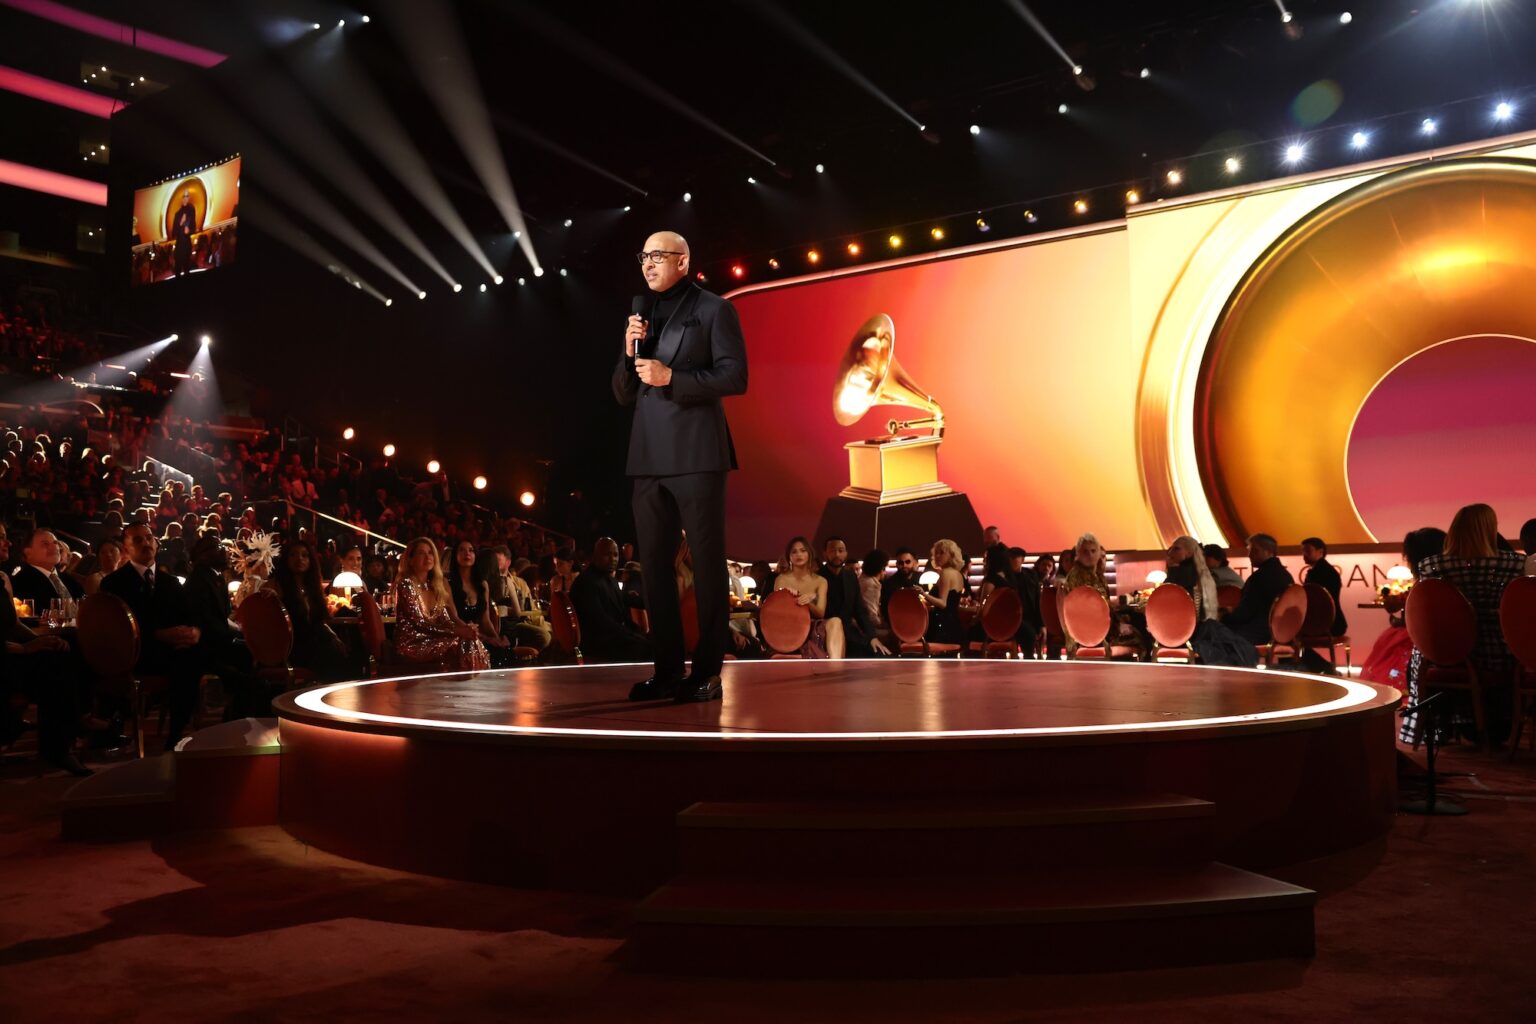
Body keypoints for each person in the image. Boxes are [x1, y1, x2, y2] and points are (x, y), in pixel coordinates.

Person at [613, 230, 748, 703]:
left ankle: (707, 672)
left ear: (683, 262)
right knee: (653, 568)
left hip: (696, 453)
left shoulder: (714, 309)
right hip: (647, 455)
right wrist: (630, 352)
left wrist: (675, 377)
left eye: (657, 256)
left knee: (707, 565)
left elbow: (736, 375)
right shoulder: (640, 313)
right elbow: (622, 393)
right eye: (643, 255)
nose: (648, 264)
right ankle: (667, 669)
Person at [1401, 504, 1525, 746]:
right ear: (1491, 529)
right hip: (1498, 652)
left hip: (1446, 652)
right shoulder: (1516, 565)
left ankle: (1433, 727)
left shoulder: (1433, 565)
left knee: (1418, 654)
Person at [100, 522, 203, 750]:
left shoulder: (171, 582)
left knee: (194, 657)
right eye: (138, 540)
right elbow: (116, 627)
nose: (146, 543)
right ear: (126, 549)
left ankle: (176, 733)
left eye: (149, 538)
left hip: (171, 652)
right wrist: (157, 634)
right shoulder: (113, 582)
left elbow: (189, 615)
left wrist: (194, 631)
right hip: (136, 653)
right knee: (184, 663)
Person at [0, 523, 91, 775]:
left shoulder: (4, 578)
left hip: (18, 648)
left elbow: (16, 622)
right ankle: (63, 742)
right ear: (28, 553)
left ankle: (69, 735)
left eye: (7, 537)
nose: (8, 543)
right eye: (1, 538)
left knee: (59, 652)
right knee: (57, 664)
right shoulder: (23, 579)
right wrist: (29, 647)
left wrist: (40, 641)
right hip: (8, 655)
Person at [392, 537, 489, 671]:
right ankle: (469, 685)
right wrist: (457, 631)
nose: (428, 557)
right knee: (458, 644)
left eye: (430, 553)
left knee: (470, 641)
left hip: (435, 639)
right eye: (421, 553)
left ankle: (476, 685)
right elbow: (420, 624)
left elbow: (445, 620)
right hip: (412, 643)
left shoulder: (435, 585)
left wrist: (466, 629)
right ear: (410, 559)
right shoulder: (406, 584)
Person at [266, 540, 350, 680]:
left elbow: (318, 621)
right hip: (292, 646)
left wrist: (332, 635)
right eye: (293, 555)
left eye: (305, 556)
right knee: (331, 653)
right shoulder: (277, 585)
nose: (299, 559)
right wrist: (272, 598)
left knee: (341, 646)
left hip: (313, 643)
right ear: (286, 559)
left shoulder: (312, 588)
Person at [569, 537, 654, 664]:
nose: (613, 559)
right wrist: (632, 635)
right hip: (597, 642)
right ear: (596, 555)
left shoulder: (607, 578)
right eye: (607, 554)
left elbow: (623, 599)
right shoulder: (586, 582)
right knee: (651, 649)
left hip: (612, 636)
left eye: (615, 555)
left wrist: (653, 602)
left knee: (656, 642)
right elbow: (600, 620)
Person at [773, 536, 844, 658]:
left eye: (803, 550)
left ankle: (835, 666)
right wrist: (789, 598)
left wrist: (806, 603)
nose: (798, 554)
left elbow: (821, 613)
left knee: (836, 621)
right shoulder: (781, 579)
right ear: (789, 556)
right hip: (789, 627)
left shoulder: (821, 581)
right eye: (794, 552)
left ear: (809, 554)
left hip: (812, 625)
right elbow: (776, 614)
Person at [447, 541, 513, 665]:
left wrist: (497, 639)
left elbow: (486, 620)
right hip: (460, 637)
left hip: (479, 636)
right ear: (455, 556)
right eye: (462, 550)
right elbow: (454, 618)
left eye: (471, 550)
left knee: (505, 651)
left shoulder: (482, 585)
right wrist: (487, 639)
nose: (467, 553)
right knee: (493, 654)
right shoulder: (448, 583)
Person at [1222, 533, 1294, 645]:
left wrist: (1224, 616)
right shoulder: (1286, 575)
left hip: (1257, 633)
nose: (1249, 555)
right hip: (1283, 632)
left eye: (1254, 551)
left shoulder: (1259, 577)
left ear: (1269, 552)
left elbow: (1244, 613)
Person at [485, 545, 551, 651]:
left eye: (498, 560)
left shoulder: (519, 583)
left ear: (508, 563)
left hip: (520, 621)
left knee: (552, 631)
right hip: (505, 626)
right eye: (493, 560)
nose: (494, 564)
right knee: (544, 635)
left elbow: (528, 609)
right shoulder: (487, 582)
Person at [819, 536, 875, 656]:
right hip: (825, 632)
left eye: (841, 550)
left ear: (846, 553)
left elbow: (860, 610)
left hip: (849, 632)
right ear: (825, 554)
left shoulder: (851, 577)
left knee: (876, 653)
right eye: (833, 551)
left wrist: (872, 637)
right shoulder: (817, 577)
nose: (837, 554)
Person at [10, 528, 85, 610]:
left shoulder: (69, 580)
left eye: (55, 543)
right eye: (45, 544)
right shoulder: (21, 582)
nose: (54, 547)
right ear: (28, 553)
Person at [919, 539, 969, 646]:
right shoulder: (958, 574)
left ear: (951, 555)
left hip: (942, 625)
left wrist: (923, 594)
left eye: (942, 552)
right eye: (936, 552)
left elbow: (943, 604)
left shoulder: (945, 573)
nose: (937, 556)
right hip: (955, 623)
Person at [856, 549, 893, 655]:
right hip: (866, 628)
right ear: (880, 568)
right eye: (884, 568)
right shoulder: (871, 584)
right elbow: (871, 614)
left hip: (860, 625)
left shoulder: (861, 579)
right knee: (896, 635)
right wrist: (886, 625)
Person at [880, 547, 921, 623]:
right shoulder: (889, 583)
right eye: (900, 563)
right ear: (896, 564)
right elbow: (885, 607)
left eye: (907, 562)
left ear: (914, 562)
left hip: (920, 620)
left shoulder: (923, 579)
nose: (904, 565)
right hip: (898, 622)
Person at [171, 190, 197, 276]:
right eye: (184, 196)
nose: (185, 198)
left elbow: (194, 228)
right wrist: (180, 223)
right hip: (179, 247)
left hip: (187, 246)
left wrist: (189, 231)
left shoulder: (192, 210)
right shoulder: (177, 214)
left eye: (187, 196)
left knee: (187, 270)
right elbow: (173, 234)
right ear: (181, 198)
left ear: (189, 198)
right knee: (177, 271)